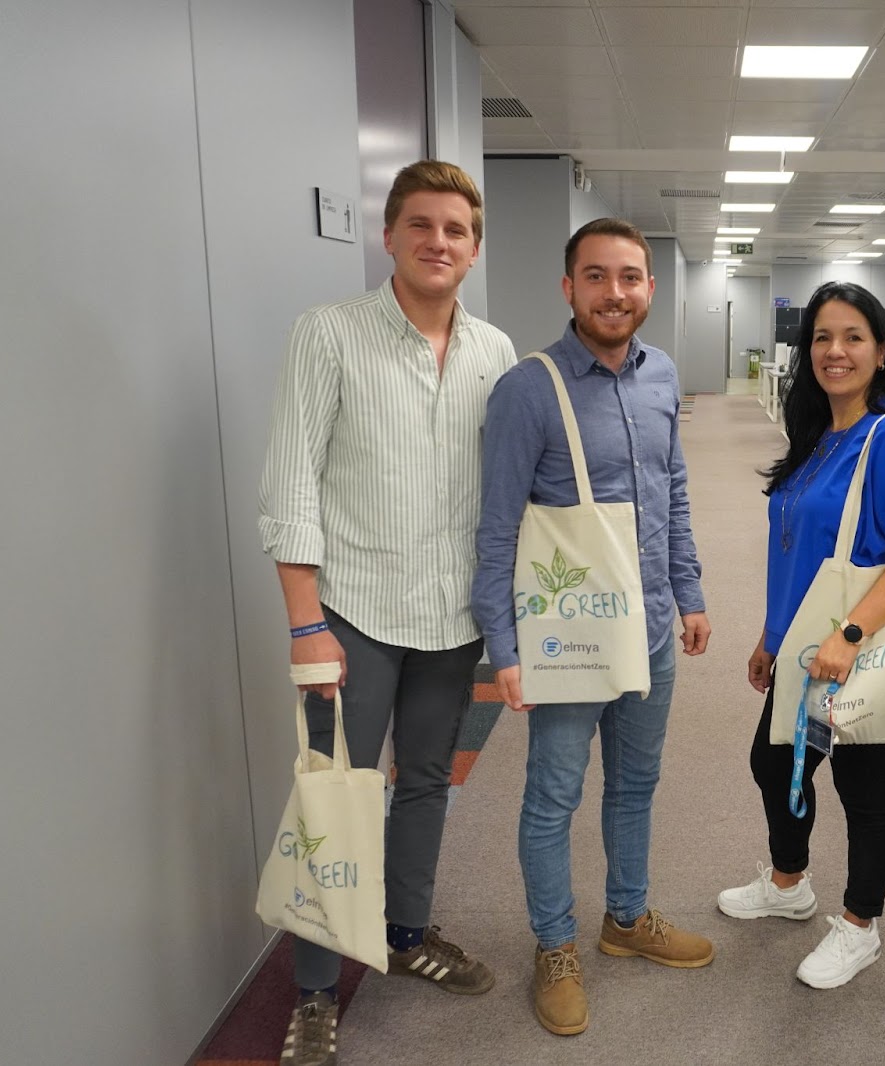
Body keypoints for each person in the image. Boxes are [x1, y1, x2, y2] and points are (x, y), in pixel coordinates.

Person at [258, 160, 516, 1066]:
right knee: (333, 799)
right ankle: (318, 990)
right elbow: (290, 486)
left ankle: (405, 934)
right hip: (352, 615)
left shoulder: (494, 350)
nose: (438, 242)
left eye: (456, 230)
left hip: (452, 618)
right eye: (422, 225)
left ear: (474, 248)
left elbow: (508, 489)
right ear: (391, 235)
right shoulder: (327, 335)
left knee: (427, 784)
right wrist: (304, 626)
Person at [472, 217, 713, 1037]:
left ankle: (626, 917)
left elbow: (672, 490)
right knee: (553, 797)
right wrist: (502, 648)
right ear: (568, 287)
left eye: (632, 277)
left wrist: (689, 592)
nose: (617, 293)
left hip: (647, 627)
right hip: (569, 635)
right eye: (599, 277)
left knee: (636, 785)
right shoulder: (529, 388)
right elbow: (498, 526)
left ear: (650, 287)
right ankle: (554, 945)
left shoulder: (661, 376)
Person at [718, 281, 885, 990]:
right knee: (772, 762)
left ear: (882, 351)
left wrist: (850, 633)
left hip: (876, 647)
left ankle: (859, 926)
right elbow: (801, 550)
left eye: (852, 336)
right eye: (821, 337)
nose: (835, 351)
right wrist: (771, 633)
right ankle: (790, 885)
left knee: (864, 790)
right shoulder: (819, 436)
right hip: (811, 646)